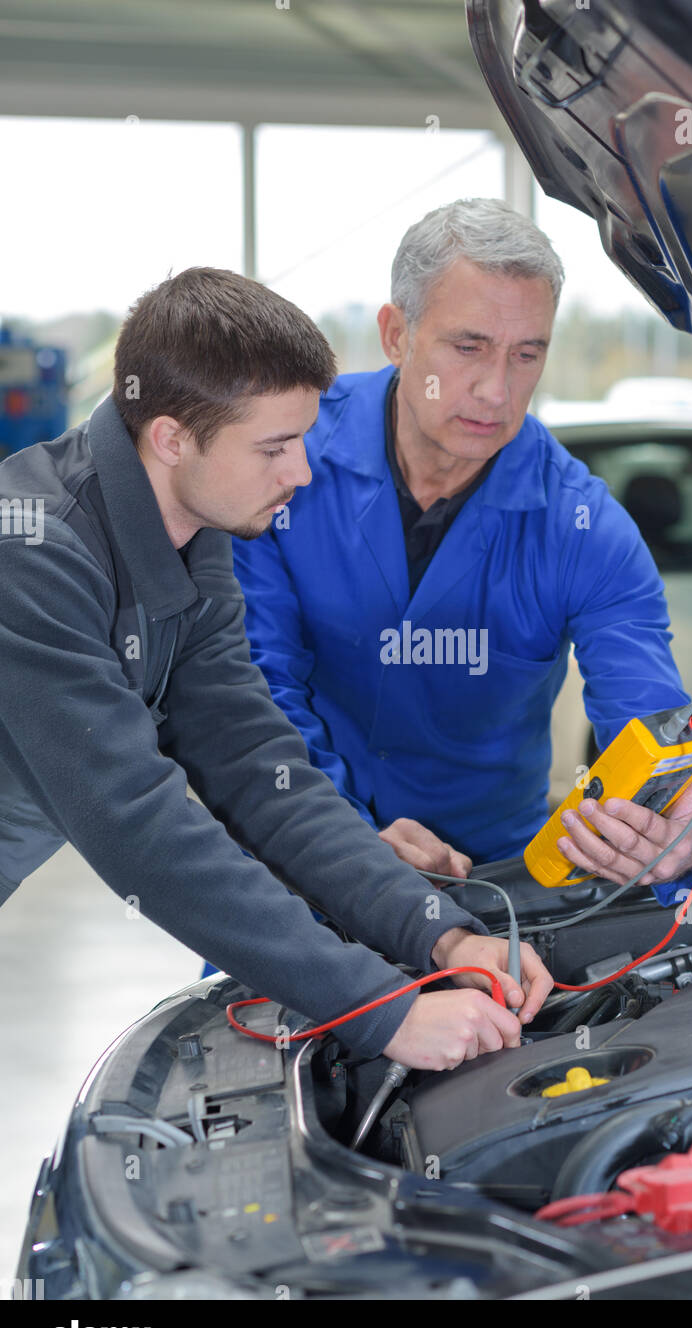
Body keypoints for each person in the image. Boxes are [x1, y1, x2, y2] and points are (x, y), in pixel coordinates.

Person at [0, 266, 553, 1072]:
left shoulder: (194, 530)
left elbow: (259, 767)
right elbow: (141, 831)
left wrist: (440, 933)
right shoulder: (33, 554)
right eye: (274, 446)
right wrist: (383, 1012)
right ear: (169, 437)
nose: (300, 472)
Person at [233, 199, 692, 900]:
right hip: (289, 864)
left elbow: (652, 721)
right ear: (396, 334)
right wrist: (338, 836)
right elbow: (253, 689)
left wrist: (678, 819)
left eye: (526, 355)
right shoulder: (286, 460)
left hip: (494, 886)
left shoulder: (584, 529)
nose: (496, 390)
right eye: (468, 347)